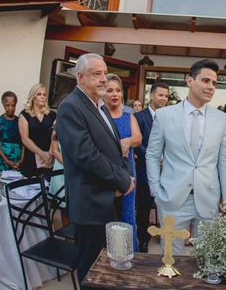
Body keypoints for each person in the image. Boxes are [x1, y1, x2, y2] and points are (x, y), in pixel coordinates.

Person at [56, 53, 134, 287]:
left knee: (106, 265)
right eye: (96, 74)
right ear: (80, 77)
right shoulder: (70, 106)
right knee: (91, 268)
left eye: (105, 72)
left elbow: (116, 146)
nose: (104, 79)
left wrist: (126, 174)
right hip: (90, 203)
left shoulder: (98, 105)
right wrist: (122, 180)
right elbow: (86, 156)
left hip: (107, 198)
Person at [146, 59, 226, 256]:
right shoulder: (164, 115)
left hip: (209, 198)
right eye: (205, 81)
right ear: (189, 81)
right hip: (172, 198)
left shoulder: (221, 120)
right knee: (171, 259)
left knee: (210, 259)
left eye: (214, 83)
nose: (211, 87)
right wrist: (155, 190)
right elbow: (152, 154)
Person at [105, 74, 141, 251]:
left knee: (127, 214)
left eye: (118, 90)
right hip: (106, 171)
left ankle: (129, 253)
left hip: (128, 171)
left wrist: (127, 142)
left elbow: (138, 138)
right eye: (110, 90)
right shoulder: (100, 116)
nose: (114, 94)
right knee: (108, 214)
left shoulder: (129, 116)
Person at [133, 81, 169, 253]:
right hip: (144, 169)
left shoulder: (170, 117)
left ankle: (165, 236)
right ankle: (143, 239)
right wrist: (153, 157)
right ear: (151, 95)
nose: (164, 99)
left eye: (166, 96)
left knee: (166, 205)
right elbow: (136, 142)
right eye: (160, 95)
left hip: (167, 171)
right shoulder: (139, 117)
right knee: (144, 207)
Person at [18, 84, 55, 177]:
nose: (42, 97)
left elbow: (56, 135)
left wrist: (50, 154)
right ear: (33, 96)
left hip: (49, 157)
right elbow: (25, 139)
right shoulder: (24, 115)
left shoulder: (52, 115)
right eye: (39, 94)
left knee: (47, 186)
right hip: (31, 157)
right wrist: (42, 154)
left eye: (44, 94)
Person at [0, 91, 22, 171]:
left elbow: (24, 143)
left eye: (13, 105)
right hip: (3, 162)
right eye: (7, 105)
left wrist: (21, 160)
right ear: (3, 104)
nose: (10, 108)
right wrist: (7, 161)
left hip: (17, 162)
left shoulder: (20, 122)